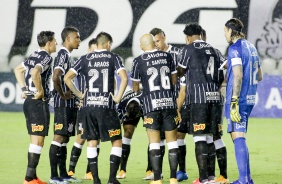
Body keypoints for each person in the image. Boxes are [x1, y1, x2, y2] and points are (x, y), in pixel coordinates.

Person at [64, 31, 128, 184]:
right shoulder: (113, 57)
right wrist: (118, 97)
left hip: (88, 107)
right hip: (106, 107)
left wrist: (79, 95)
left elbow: (67, 78)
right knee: (117, 140)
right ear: (108, 44)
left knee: (91, 141)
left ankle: (96, 180)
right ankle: (112, 179)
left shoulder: (85, 58)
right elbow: (124, 78)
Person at [177, 23, 224, 184]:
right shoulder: (214, 50)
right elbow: (223, 73)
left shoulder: (188, 49)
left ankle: (203, 179)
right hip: (215, 98)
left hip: (198, 100)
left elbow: (180, 71)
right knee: (211, 137)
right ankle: (211, 177)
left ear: (188, 37)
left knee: (199, 138)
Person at [131, 33, 179, 184]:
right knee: (172, 142)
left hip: (151, 105)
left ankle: (157, 179)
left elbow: (135, 87)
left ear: (141, 47)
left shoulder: (138, 61)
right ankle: (173, 178)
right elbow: (174, 80)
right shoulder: (167, 56)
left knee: (154, 143)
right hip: (169, 104)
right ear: (155, 43)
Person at [14, 31, 57, 184]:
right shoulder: (46, 57)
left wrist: (25, 90)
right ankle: (28, 179)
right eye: (55, 41)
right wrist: (40, 91)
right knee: (37, 142)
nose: (56, 43)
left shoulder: (33, 55)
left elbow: (18, 70)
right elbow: (34, 72)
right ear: (49, 43)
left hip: (29, 103)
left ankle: (32, 176)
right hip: (38, 103)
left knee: (36, 141)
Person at [224, 18, 262, 184]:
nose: (224, 34)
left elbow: (238, 74)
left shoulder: (235, 48)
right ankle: (247, 179)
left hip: (238, 99)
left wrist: (234, 100)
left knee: (238, 137)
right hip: (250, 98)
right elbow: (259, 75)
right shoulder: (251, 47)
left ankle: (244, 180)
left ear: (231, 31)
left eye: (225, 31)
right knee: (239, 136)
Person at [149, 27, 188, 182]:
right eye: (153, 42)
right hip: (160, 103)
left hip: (178, 100)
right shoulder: (152, 56)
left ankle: (181, 170)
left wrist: (179, 105)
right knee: (159, 139)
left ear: (164, 37)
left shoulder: (177, 54)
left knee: (178, 136)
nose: (156, 44)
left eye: (158, 40)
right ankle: (158, 173)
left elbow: (183, 79)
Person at [49, 26, 81, 184]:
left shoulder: (68, 55)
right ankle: (54, 176)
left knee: (65, 139)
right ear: (67, 39)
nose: (79, 40)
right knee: (58, 137)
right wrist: (62, 95)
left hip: (69, 104)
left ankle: (63, 175)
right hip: (62, 103)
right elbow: (56, 77)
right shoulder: (62, 54)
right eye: (77, 37)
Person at [67, 38, 99, 180]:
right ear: (88, 50)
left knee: (95, 140)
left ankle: (89, 172)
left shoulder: (101, 64)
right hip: (85, 107)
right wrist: (78, 96)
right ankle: (71, 170)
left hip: (99, 107)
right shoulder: (83, 61)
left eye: (96, 51)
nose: (94, 54)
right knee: (81, 138)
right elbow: (68, 79)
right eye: (92, 51)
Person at [201, 28, 229, 184]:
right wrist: (223, 84)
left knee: (203, 137)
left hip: (202, 100)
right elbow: (229, 66)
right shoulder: (216, 51)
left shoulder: (194, 53)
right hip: (216, 99)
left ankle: (207, 177)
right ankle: (222, 176)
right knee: (216, 136)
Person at [116, 90, 143, 179]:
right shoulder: (122, 105)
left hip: (146, 107)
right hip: (129, 104)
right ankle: (122, 170)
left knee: (153, 133)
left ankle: (150, 171)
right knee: (127, 132)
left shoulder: (146, 100)